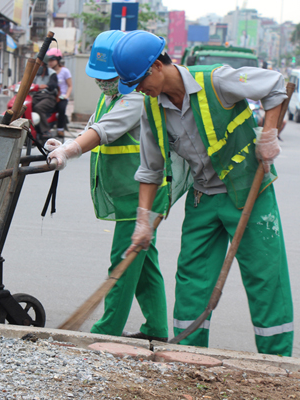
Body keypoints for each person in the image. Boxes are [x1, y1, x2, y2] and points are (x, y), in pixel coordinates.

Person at [113, 30, 293, 356]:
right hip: (203, 197)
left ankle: (276, 361)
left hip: (248, 191)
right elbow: (150, 170)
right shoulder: (151, 110)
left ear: (157, 65)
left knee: (265, 277)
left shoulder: (217, 80)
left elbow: (275, 85)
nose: (139, 88)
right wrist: (143, 220)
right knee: (192, 279)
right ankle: (188, 355)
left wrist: (268, 134)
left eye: (139, 80)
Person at [44, 31, 170, 341]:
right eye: (100, 78)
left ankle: (107, 330)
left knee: (123, 261)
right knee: (144, 260)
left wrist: (70, 151)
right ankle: (156, 329)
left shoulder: (138, 97)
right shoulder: (110, 96)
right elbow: (89, 128)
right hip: (126, 191)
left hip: (140, 195)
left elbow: (104, 130)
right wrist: (64, 144)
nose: (103, 84)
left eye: (109, 77)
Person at [46, 48, 72, 139]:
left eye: (52, 60)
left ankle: (60, 129)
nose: (50, 63)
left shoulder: (65, 71)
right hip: (51, 96)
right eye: (49, 60)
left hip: (62, 97)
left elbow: (70, 86)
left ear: (58, 60)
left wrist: (66, 96)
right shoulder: (48, 71)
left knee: (61, 108)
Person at [31, 59, 58, 141]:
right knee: (26, 106)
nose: (38, 66)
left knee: (38, 107)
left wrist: (46, 86)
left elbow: (53, 84)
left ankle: (46, 130)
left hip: (48, 96)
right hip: (36, 96)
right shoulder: (35, 74)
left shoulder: (52, 73)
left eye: (40, 64)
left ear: (44, 64)